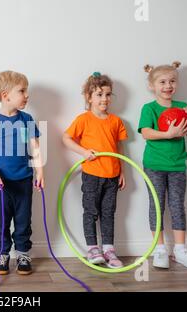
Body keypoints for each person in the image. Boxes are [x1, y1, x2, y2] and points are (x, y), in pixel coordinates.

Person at [138, 61, 187, 269]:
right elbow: (146, 133)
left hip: (177, 166)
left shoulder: (183, 107)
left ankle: (181, 250)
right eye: (162, 82)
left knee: (177, 206)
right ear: (152, 86)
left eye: (172, 81)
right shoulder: (149, 108)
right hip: (154, 165)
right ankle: (160, 249)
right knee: (156, 205)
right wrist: (168, 134)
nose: (168, 86)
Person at [0, 70, 44, 275]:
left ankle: (23, 253)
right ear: (5, 95)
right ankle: (3, 253)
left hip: (24, 179)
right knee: (1, 219)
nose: (27, 95)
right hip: (0, 182)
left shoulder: (26, 120)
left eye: (27, 91)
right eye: (22, 91)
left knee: (23, 218)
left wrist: (40, 172)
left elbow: (34, 147)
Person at [62, 72, 127, 268]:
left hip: (112, 175)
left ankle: (109, 249)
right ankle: (93, 249)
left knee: (109, 212)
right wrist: (83, 152)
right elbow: (66, 138)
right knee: (91, 212)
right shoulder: (84, 119)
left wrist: (122, 171)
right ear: (89, 97)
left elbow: (119, 147)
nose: (104, 99)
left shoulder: (116, 121)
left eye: (108, 94)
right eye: (99, 94)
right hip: (91, 175)